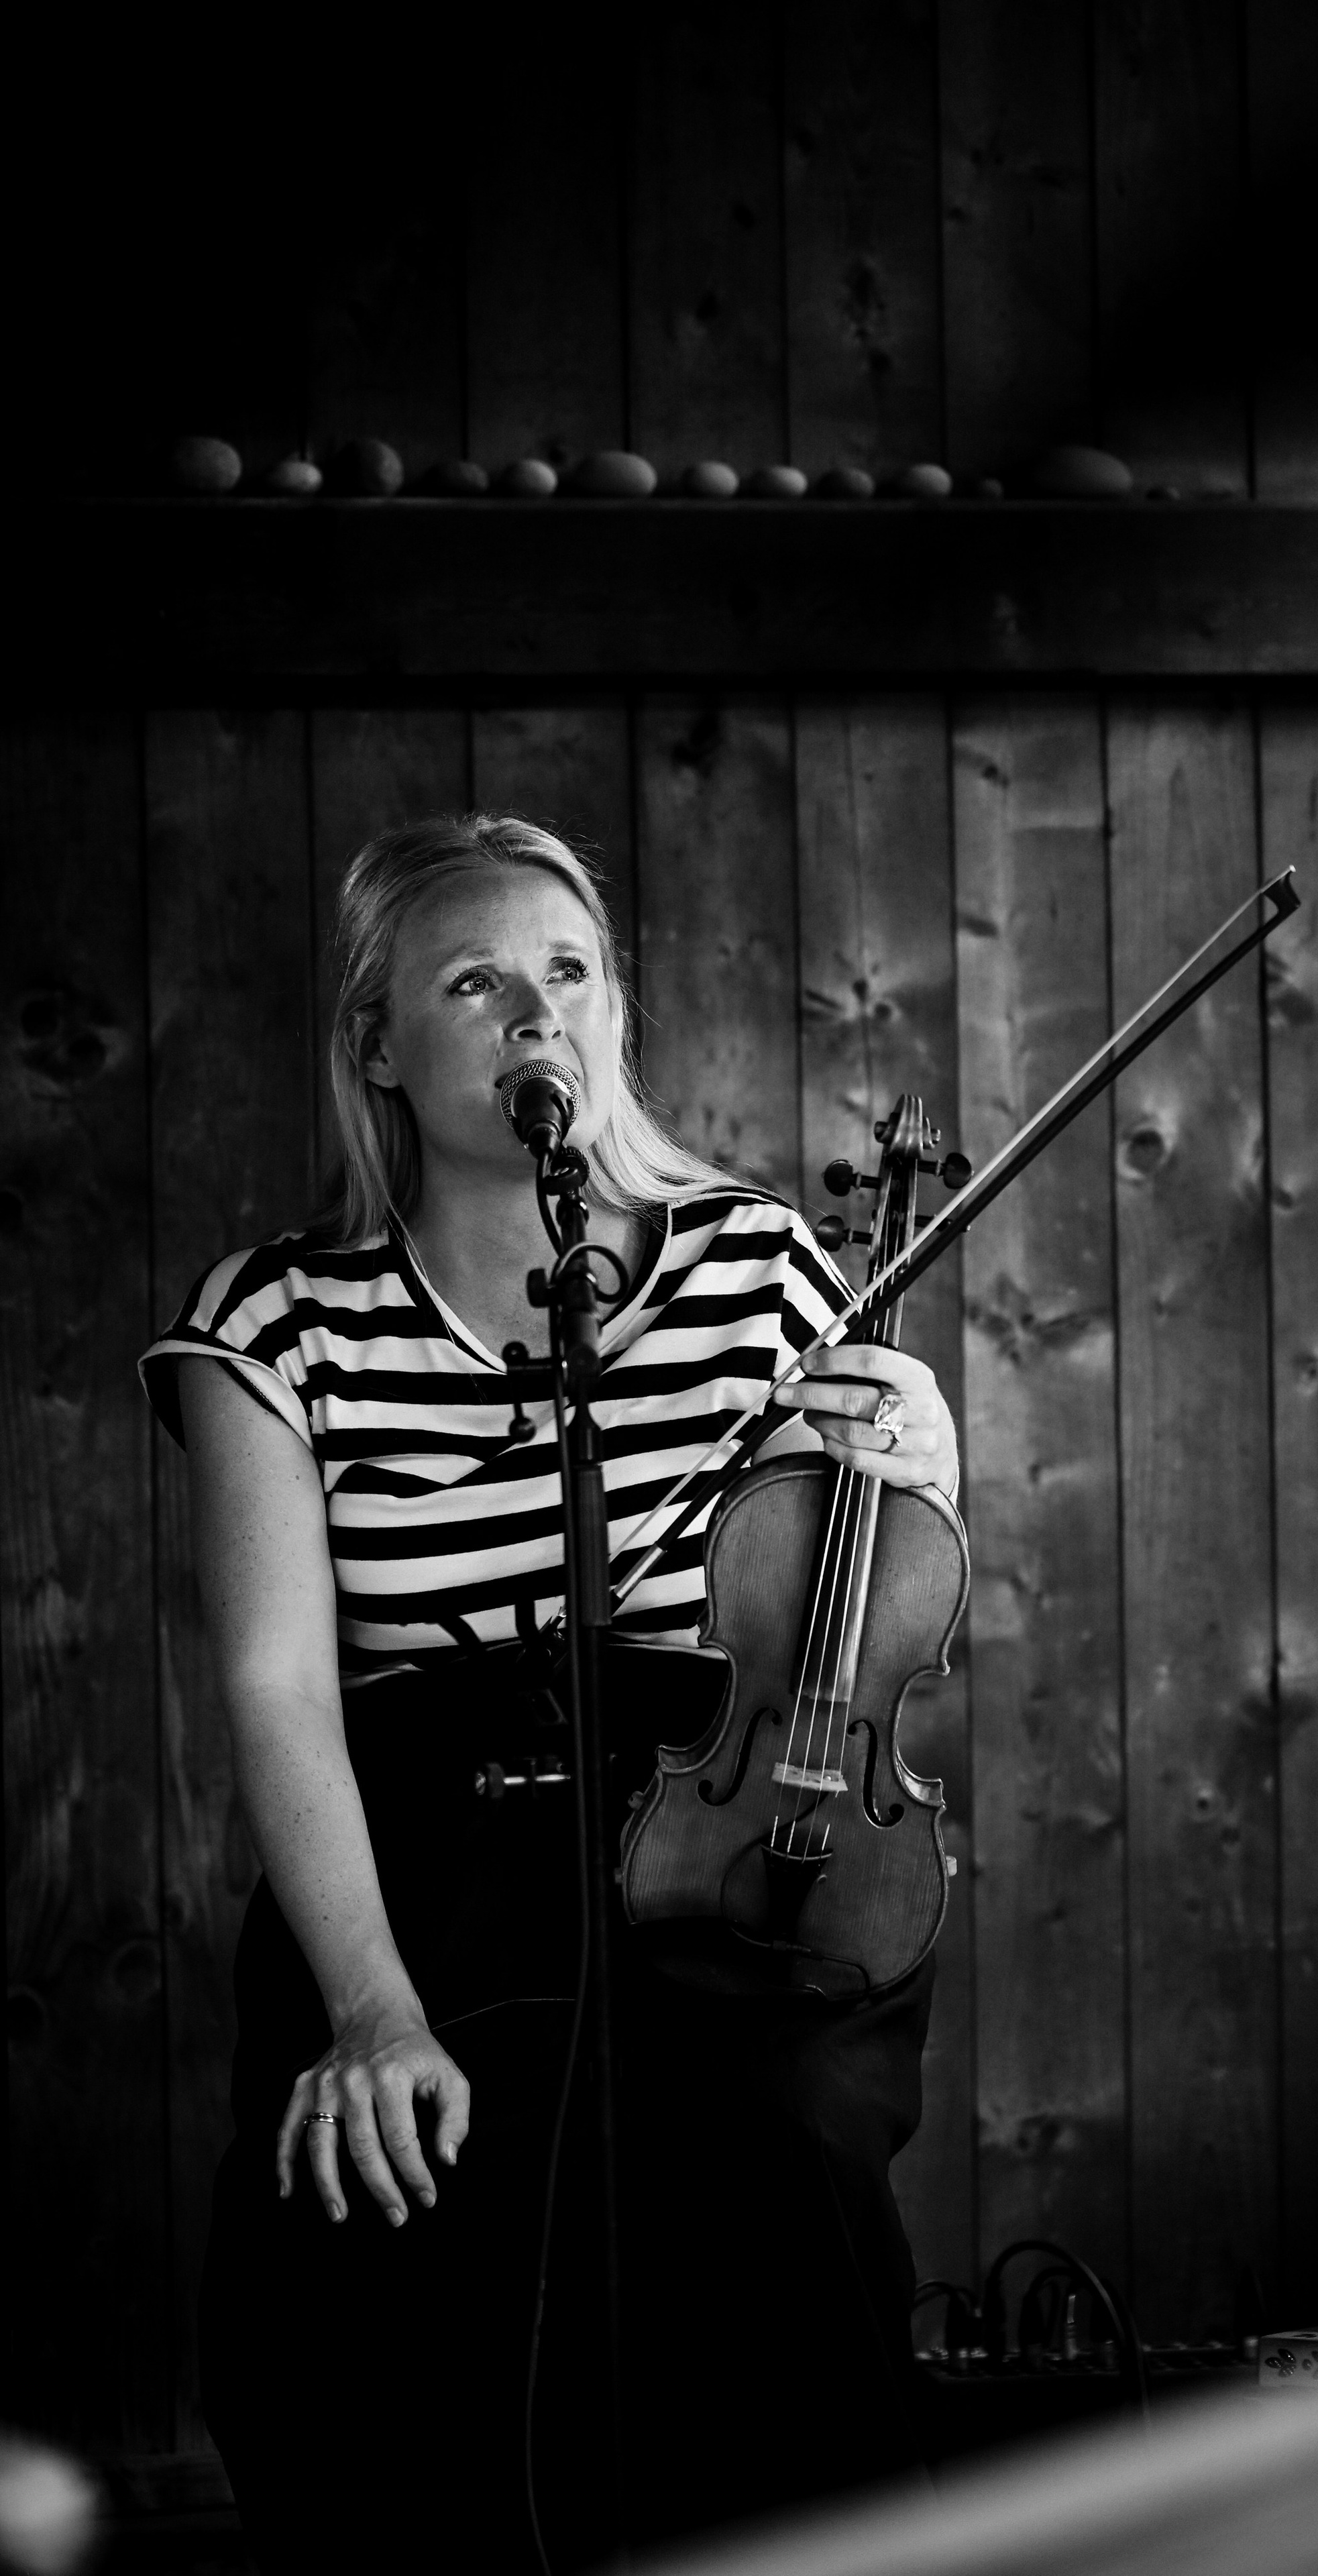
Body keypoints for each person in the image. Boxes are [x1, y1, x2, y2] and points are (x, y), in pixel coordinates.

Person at [139, 814, 960, 2571]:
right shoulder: (277, 1323)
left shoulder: (760, 1269)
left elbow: (877, 1597)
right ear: (379, 1045)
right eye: (475, 983)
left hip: (721, 1850)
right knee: (381, 2202)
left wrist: (923, 1452)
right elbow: (280, 1692)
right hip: (419, 1871)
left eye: (570, 973)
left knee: (779, 2159)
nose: (538, 1015)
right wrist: (373, 2008)